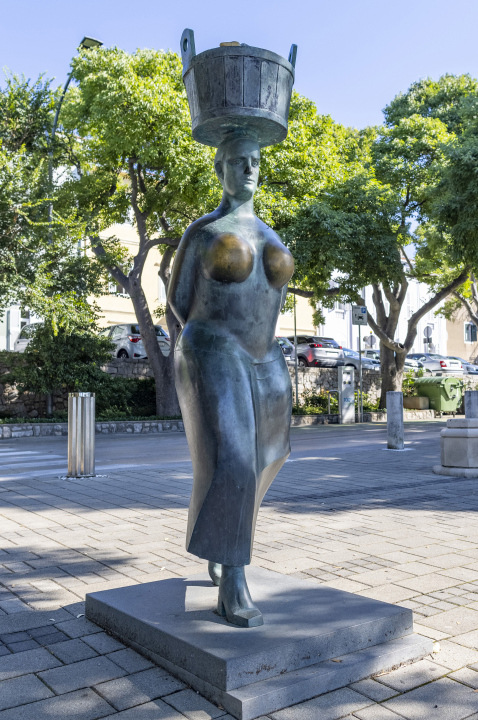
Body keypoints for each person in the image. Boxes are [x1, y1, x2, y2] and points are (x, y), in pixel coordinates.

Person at [168, 134, 294, 627]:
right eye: (237, 161)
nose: (248, 168)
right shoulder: (203, 232)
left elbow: (273, 301)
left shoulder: (269, 233)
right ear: (219, 167)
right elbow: (180, 301)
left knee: (273, 454)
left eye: (254, 161)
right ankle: (234, 582)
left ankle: (221, 537)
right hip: (214, 344)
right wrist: (207, 345)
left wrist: (260, 344)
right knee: (236, 460)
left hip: (265, 351)